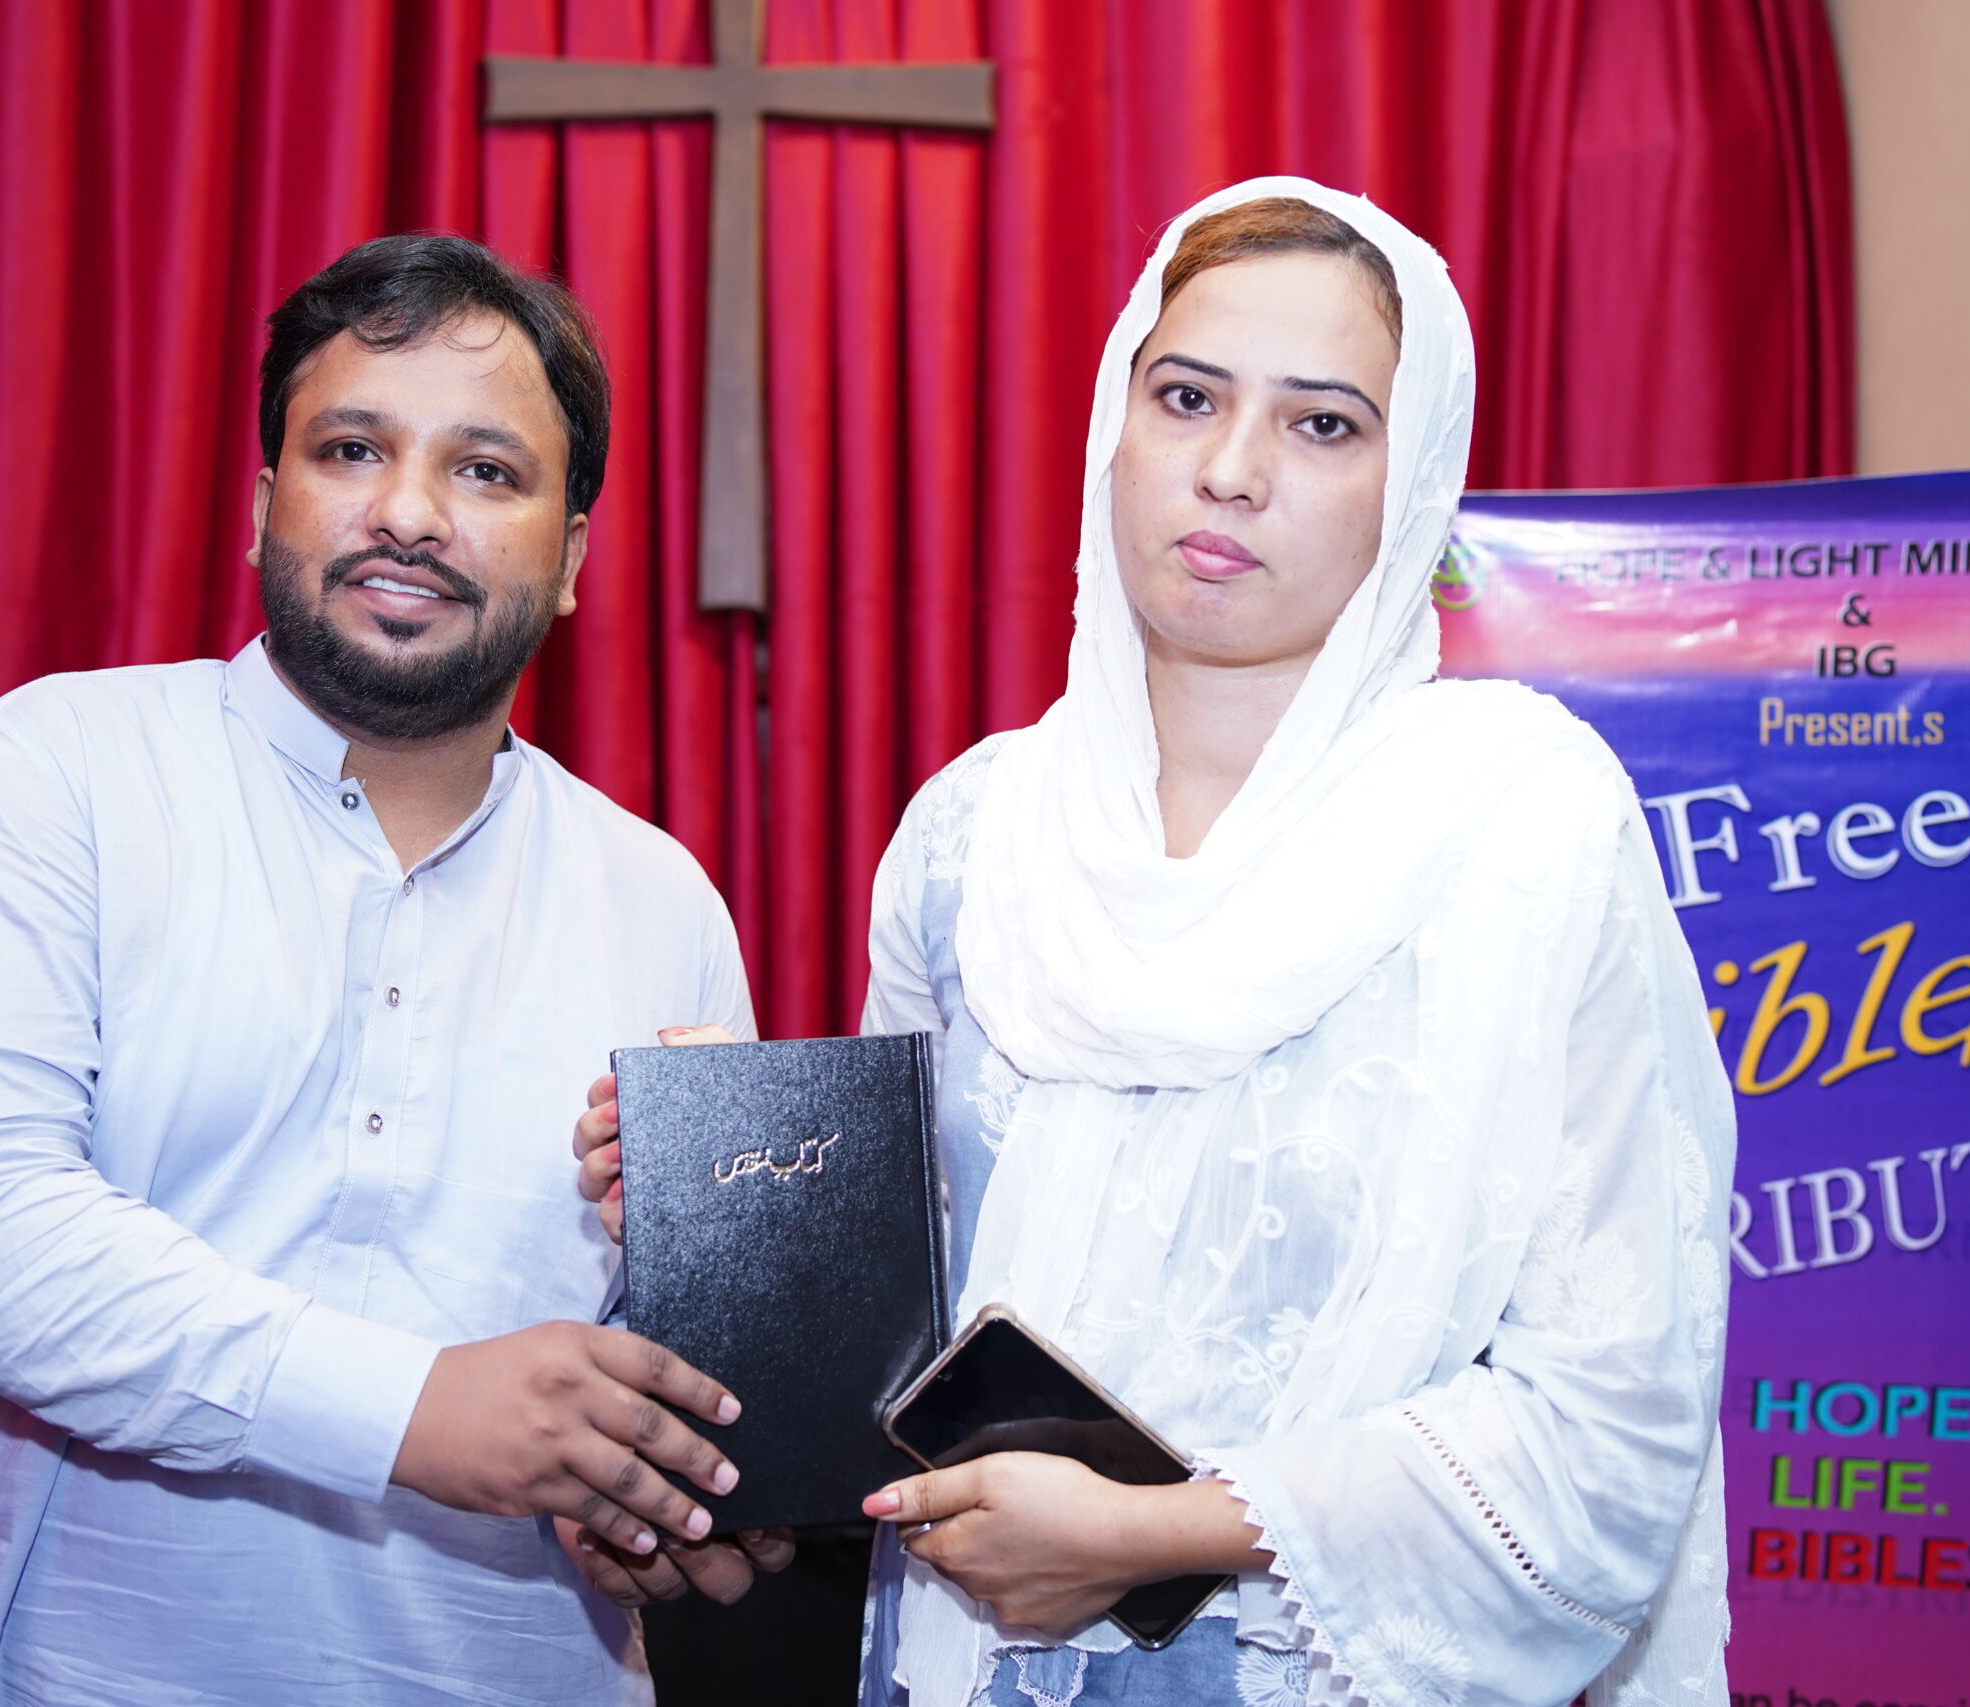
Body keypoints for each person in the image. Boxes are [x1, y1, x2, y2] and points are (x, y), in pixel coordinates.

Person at [578, 179, 1736, 1707]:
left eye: (1323, 424)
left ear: (1413, 482)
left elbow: (1613, 1414)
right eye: (1187, 397)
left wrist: (1156, 1536)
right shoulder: (976, 835)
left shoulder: (1523, 831)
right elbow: (905, 1329)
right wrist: (737, 1195)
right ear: (1113, 430)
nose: (1232, 471)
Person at [0, 233, 787, 1707]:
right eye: (352, 450)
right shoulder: (51, 777)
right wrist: (417, 1409)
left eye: (486, 471)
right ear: (264, 504)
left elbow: (667, 1377)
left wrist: (667, 1494)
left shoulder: (662, 905)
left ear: (573, 560)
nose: (409, 512)